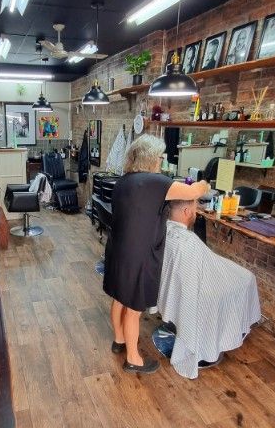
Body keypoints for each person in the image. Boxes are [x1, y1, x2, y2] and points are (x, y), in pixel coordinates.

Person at [103, 135, 209, 374]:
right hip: (139, 253)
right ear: (151, 158)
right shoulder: (157, 182)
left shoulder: (124, 181)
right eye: (160, 156)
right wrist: (204, 184)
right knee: (134, 307)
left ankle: (119, 341)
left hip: (118, 248)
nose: (162, 160)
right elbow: (193, 191)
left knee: (120, 298)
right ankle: (133, 359)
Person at [156, 198, 261, 378]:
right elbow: (207, 268)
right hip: (194, 290)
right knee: (247, 278)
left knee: (235, 272)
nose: (196, 213)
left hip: (174, 290)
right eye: (196, 208)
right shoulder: (187, 241)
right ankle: (212, 340)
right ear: (187, 211)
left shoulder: (164, 229)